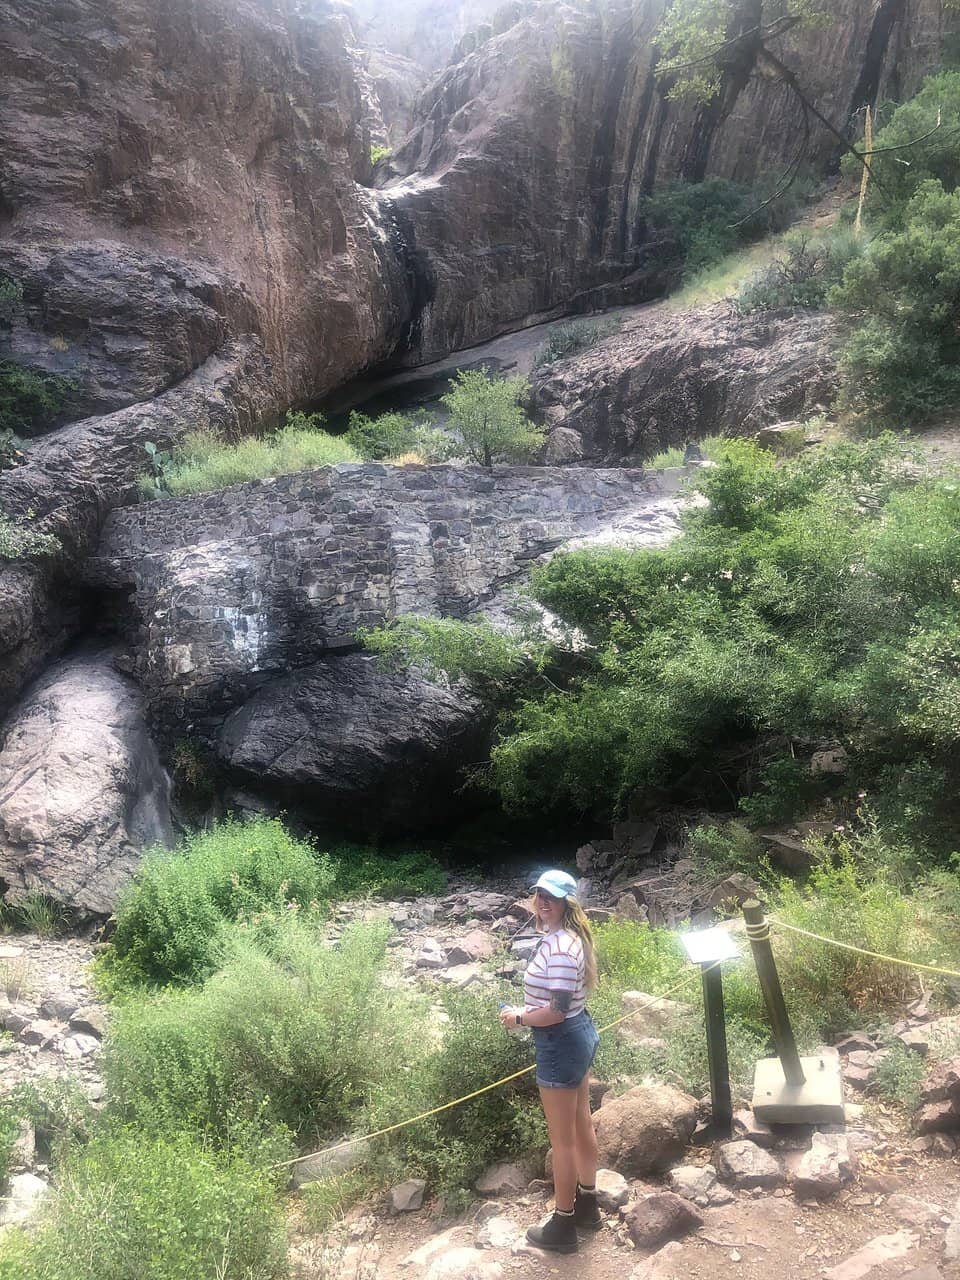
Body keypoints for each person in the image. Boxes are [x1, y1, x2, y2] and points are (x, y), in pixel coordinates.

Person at [499, 868, 601, 1254]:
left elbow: (555, 1011)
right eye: (539, 895)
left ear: (566, 903)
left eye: (551, 898)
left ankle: (563, 1224)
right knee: (581, 1124)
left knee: (562, 1142)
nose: (543, 902)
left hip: (560, 1042)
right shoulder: (571, 938)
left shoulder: (558, 947)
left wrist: (519, 1018)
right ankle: (588, 1204)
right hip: (579, 1033)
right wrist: (529, 1011)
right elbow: (562, 1004)